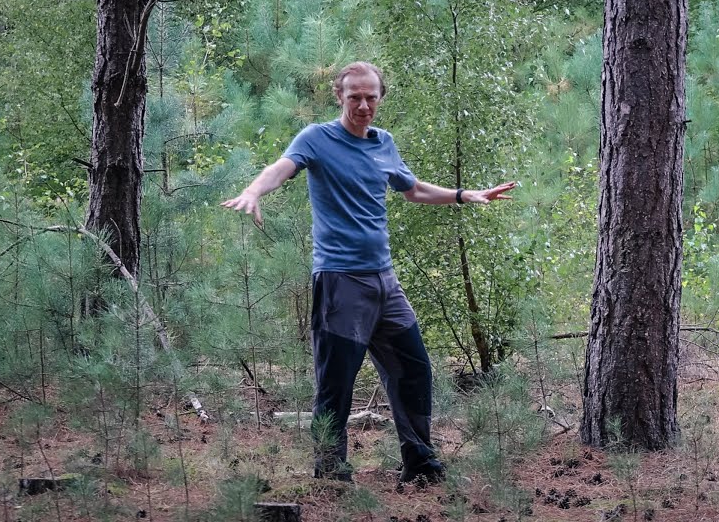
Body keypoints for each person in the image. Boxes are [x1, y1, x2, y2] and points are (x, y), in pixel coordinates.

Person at [221, 61, 516, 484]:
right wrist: (252, 190)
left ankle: (420, 465)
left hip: (385, 283)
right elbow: (281, 169)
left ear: (380, 98)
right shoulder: (317, 139)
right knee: (335, 384)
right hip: (341, 282)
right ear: (338, 96)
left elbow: (411, 189)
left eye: (370, 97)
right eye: (355, 96)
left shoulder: (384, 143)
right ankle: (331, 475)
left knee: (413, 370)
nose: (363, 105)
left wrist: (462, 194)